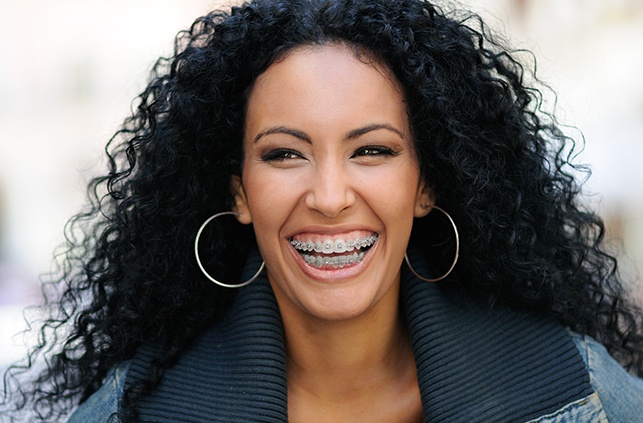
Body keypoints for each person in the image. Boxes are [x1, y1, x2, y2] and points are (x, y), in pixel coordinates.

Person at [3, 0, 643, 421]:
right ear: (238, 194)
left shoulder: (578, 392)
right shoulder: (135, 410)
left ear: (427, 185)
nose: (331, 197)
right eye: (285, 155)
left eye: (372, 150)